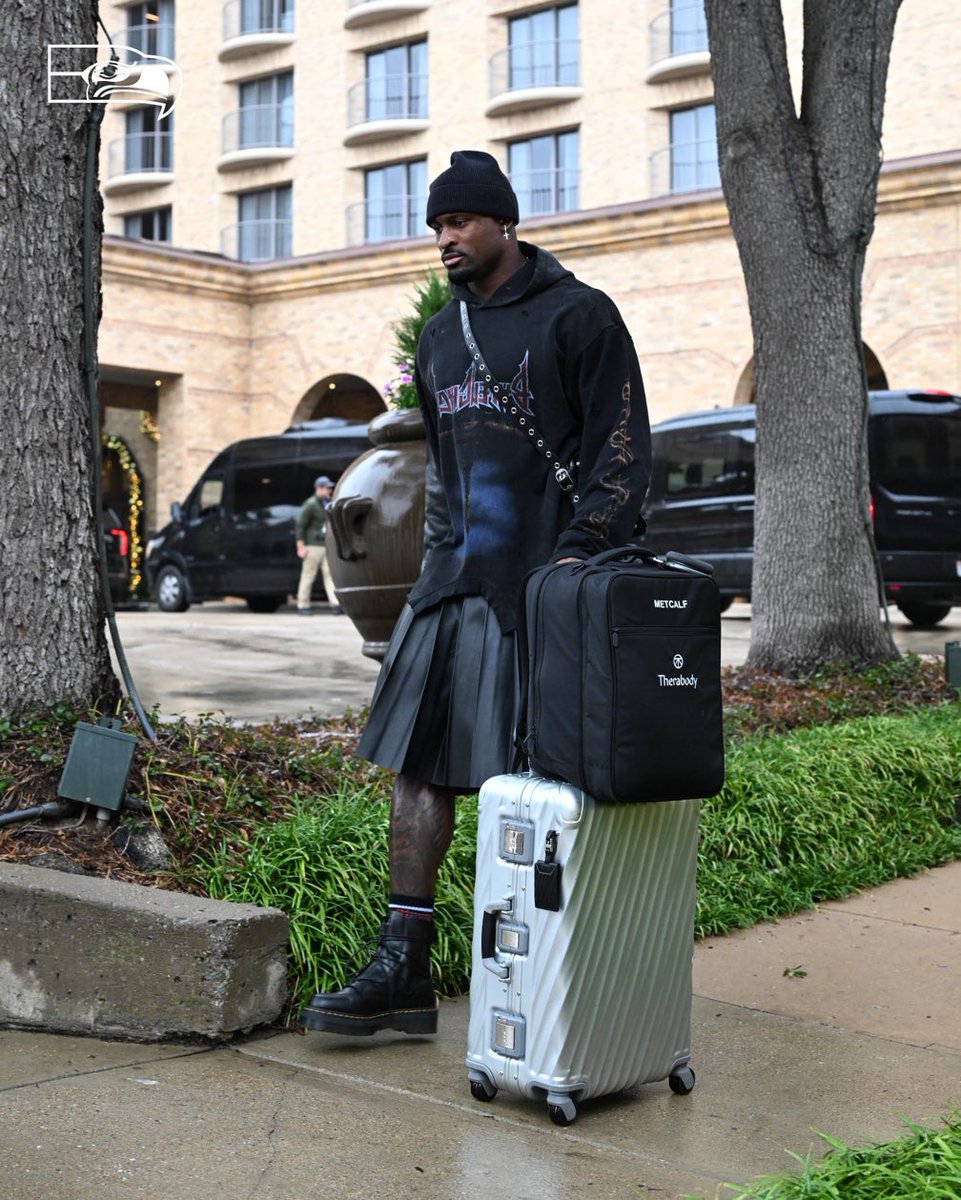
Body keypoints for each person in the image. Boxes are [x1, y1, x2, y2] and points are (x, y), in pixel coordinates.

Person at [300, 150, 651, 1037]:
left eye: (458, 222)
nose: (444, 239)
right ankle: (402, 972)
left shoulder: (580, 316)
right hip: (450, 582)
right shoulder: (439, 336)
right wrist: (428, 577)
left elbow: (621, 450)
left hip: (545, 585)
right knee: (417, 770)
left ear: (503, 220)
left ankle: (556, 978)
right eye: (435, 226)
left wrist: (575, 560)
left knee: (539, 784)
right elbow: (447, 469)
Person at [295, 476, 336, 614]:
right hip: (312, 546)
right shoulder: (311, 504)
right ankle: (303, 605)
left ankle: (335, 604)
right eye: (327, 487)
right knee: (308, 576)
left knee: (330, 576)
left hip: (326, 545)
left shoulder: (328, 503)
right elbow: (300, 526)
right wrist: (300, 546)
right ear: (319, 488)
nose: (330, 490)